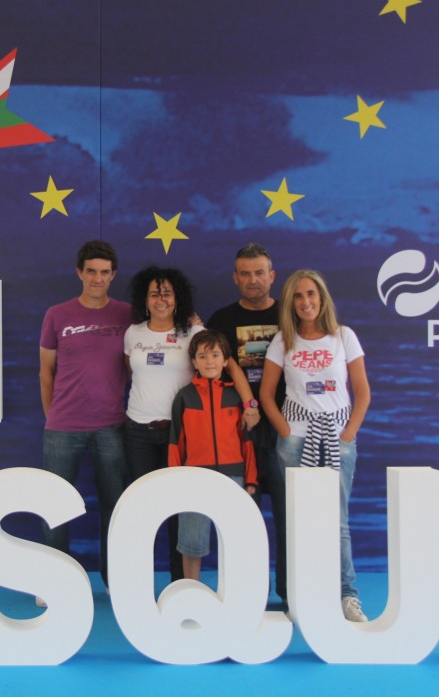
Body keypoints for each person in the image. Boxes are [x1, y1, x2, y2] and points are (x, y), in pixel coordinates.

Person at [125, 266, 259, 581]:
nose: (161, 300)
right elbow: (129, 373)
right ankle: (137, 581)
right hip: (139, 431)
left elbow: (230, 367)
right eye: (154, 294)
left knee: (179, 507)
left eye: (167, 294)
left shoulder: (193, 332)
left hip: (181, 432)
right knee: (142, 508)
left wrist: (250, 405)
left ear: (178, 298)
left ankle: (180, 584)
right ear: (145, 298)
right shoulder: (133, 333)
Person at [259, 269, 372, 622]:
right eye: (298, 296)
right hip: (295, 441)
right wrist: (286, 430)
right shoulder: (283, 341)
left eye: (311, 294)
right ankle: (301, 596)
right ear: (290, 302)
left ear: (322, 298)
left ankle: (347, 595)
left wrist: (348, 434)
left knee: (337, 521)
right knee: (298, 520)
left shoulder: (344, 337)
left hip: (336, 439)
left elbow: (363, 393)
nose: (305, 302)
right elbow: (266, 394)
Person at [39, 240, 131, 589]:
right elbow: (45, 371)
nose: (97, 278)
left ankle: (116, 579)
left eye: (104, 272)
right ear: (79, 272)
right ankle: (53, 583)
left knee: (115, 505)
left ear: (113, 275)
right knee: (54, 506)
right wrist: (53, 416)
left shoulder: (127, 314)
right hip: (62, 428)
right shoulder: (57, 315)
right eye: (91, 271)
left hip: (112, 427)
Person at [206, 243, 289, 608]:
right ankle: (250, 594)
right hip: (238, 431)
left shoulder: (291, 315)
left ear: (272, 276)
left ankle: (290, 591)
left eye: (259, 273)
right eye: (245, 273)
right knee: (243, 517)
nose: (253, 280)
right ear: (235, 278)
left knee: (289, 515)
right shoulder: (221, 320)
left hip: (286, 430)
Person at [167, 330, 258, 580]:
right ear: (194, 362)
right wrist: (175, 479)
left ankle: (235, 590)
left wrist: (250, 478)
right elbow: (175, 442)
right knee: (192, 541)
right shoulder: (184, 396)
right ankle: (191, 588)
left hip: (233, 476)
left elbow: (247, 441)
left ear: (226, 361)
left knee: (235, 537)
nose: (209, 361)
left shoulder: (235, 396)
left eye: (215, 355)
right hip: (194, 477)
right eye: (203, 356)